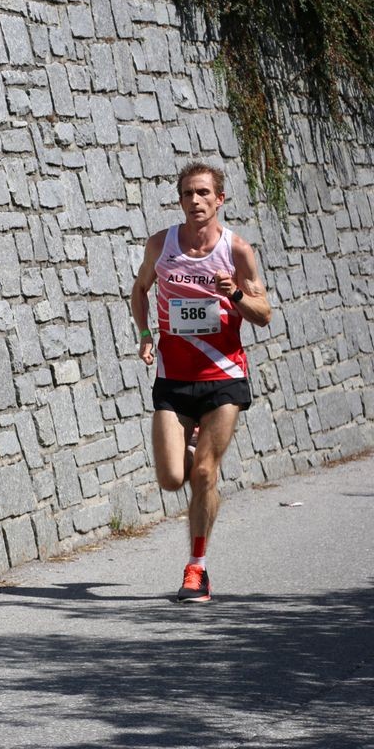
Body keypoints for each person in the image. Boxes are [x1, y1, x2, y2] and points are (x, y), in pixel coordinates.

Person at [130, 161, 272, 603]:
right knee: (174, 478)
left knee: (205, 474)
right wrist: (145, 334)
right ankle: (192, 456)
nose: (195, 201)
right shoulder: (161, 244)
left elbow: (264, 314)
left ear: (219, 200)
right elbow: (139, 290)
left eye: (204, 193)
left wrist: (234, 294)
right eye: (188, 194)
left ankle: (197, 569)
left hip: (223, 376)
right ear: (180, 200)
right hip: (173, 377)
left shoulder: (237, 250)